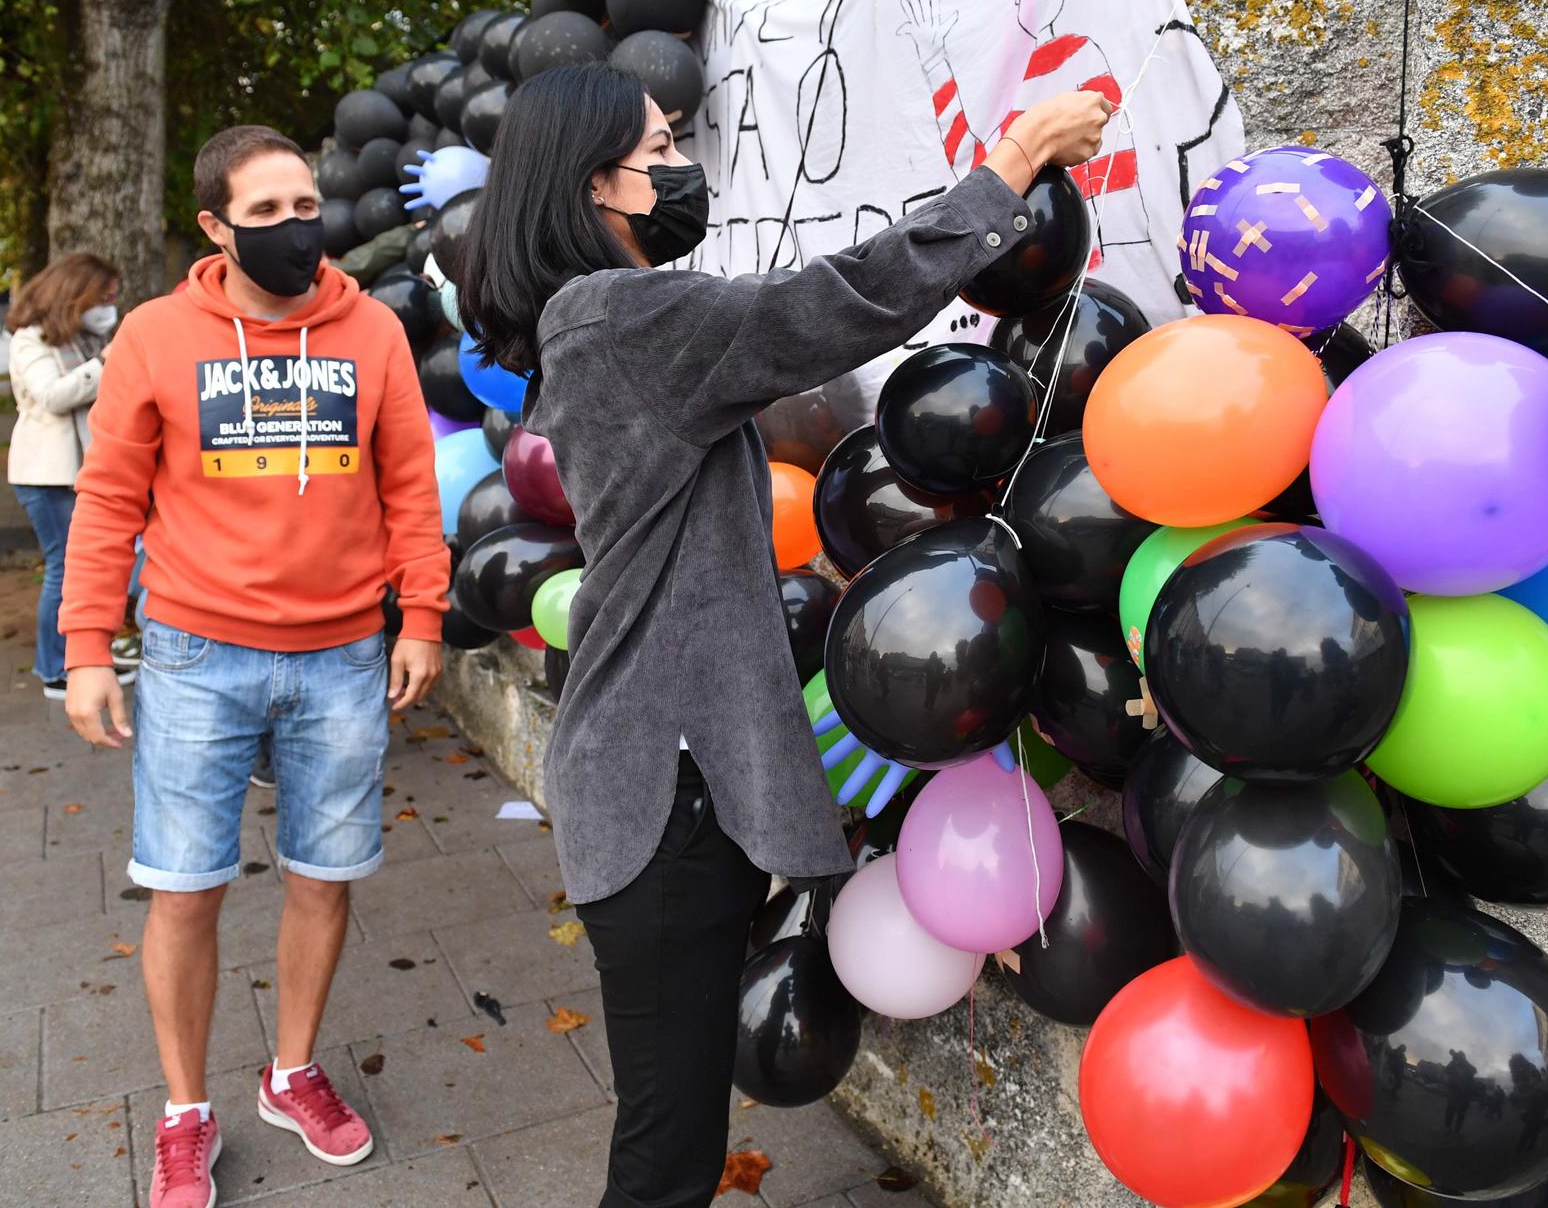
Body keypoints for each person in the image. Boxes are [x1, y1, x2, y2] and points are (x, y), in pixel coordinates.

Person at [458, 63, 1111, 1207]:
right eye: (659, 149)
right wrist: (1010, 166)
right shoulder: (623, 315)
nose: (678, 168)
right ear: (593, 182)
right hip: (659, 805)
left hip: (667, 785)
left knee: (677, 1131)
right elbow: (829, 304)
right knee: (665, 1157)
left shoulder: (604, 323)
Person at [58, 124, 449, 1208]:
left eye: (305, 204)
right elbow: (106, 502)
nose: (295, 227)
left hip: (341, 657)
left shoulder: (368, 330)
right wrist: (87, 644)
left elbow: (412, 485)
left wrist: (421, 614)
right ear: (215, 226)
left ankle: (291, 1071)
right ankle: (185, 1112)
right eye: (265, 212)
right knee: (185, 891)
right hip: (194, 655)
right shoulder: (156, 335)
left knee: (325, 876)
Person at [6, 251, 136, 700]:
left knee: (85, 566)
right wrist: (106, 362)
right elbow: (53, 396)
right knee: (64, 570)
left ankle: (85, 656)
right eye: (103, 296)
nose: (108, 305)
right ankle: (56, 668)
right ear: (74, 294)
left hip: (79, 470)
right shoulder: (31, 339)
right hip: (47, 473)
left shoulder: (75, 338)